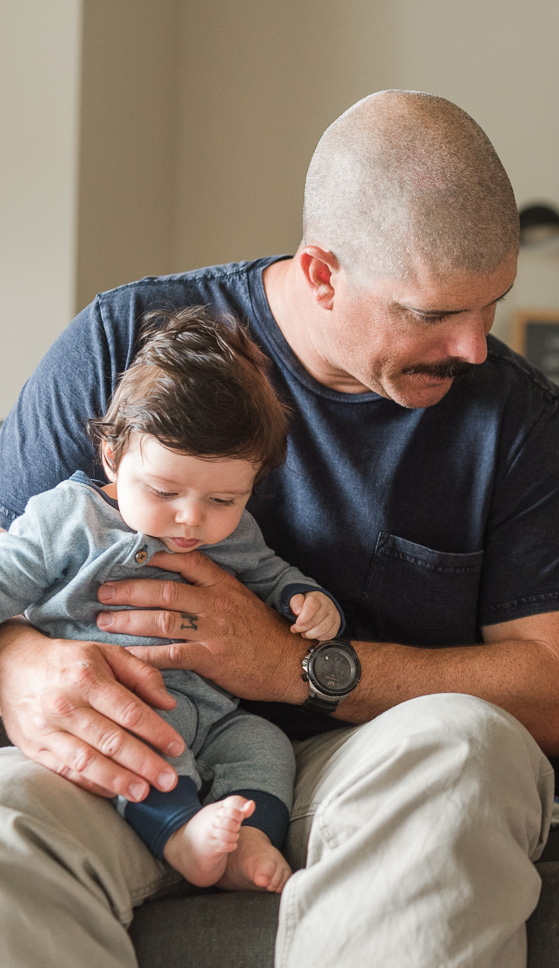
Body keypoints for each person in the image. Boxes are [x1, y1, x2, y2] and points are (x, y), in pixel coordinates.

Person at [0, 91, 559, 968]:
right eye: (432, 312)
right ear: (322, 272)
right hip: (135, 752)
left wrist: (293, 665)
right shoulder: (122, 342)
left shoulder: (517, 419)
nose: (475, 347)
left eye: (493, 306)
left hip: (359, 768)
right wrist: (16, 665)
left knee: (467, 748)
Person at [0, 306, 344, 894]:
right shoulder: (71, 517)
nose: (191, 519)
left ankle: (251, 836)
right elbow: (12, 573)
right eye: (164, 491)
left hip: (215, 712)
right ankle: (178, 833)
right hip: (124, 698)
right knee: (147, 736)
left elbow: (269, 573)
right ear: (113, 456)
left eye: (223, 499)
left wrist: (307, 600)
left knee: (264, 746)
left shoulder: (233, 535)